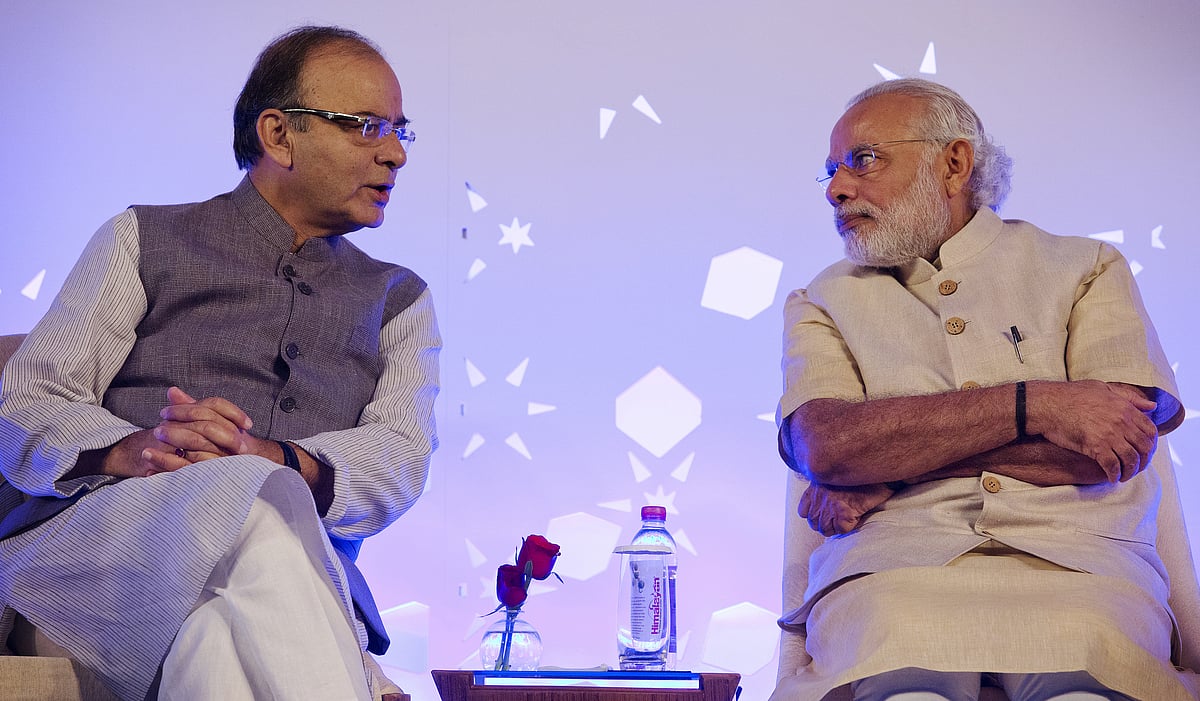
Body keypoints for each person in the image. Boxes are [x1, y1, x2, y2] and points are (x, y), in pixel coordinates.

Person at [0, 25, 439, 700]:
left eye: (399, 131)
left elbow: (401, 456)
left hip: (276, 580)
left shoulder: (399, 298)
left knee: (214, 636)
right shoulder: (142, 238)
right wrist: (133, 448)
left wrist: (269, 456)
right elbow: (26, 400)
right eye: (365, 126)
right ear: (278, 134)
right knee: (258, 498)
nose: (393, 154)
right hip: (101, 563)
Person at [772, 78, 1194, 701]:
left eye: (864, 160)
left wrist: (888, 468)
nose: (837, 188)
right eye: (831, 171)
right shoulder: (822, 299)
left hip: (1082, 567)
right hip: (893, 571)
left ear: (954, 163)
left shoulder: (1087, 267)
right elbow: (826, 449)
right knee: (900, 654)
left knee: (1086, 657)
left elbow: (1110, 444)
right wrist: (1040, 403)